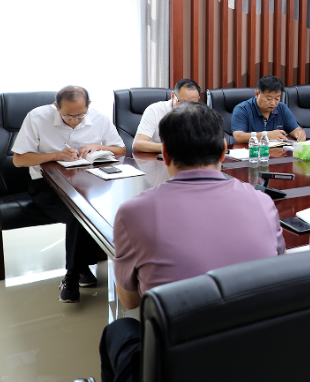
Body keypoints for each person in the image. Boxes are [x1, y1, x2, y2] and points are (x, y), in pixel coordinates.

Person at [99, 102, 286, 382]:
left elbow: (130, 300)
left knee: (119, 330)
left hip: (178, 362)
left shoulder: (133, 212)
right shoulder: (262, 201)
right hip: (257, 355)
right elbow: (278, 271)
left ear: (164, 153)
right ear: (223, 151)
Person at [11, 86, 125, 303]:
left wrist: (98, 146)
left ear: (88, 106)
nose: (75, 120)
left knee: (94, 209)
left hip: (89, 184)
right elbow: (19, 159)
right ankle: (73, 276)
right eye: (68, 116)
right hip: (47, 185)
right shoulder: (37, 117)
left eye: (80, 115)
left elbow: (120, 149)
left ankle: (82, 270)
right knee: (79, 214)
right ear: (56, 107)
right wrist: (55, 155)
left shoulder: (99, 118)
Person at [132, 78, 201, 153]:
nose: (187, 107)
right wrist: (172, 148)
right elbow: (138, 144)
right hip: (157, 157)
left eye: (192, 103)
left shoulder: (201, 114)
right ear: (173, 96)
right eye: (183, 102)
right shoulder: (154, 110)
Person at [231, 75, 306, 143]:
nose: (273, 103)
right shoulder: (242, 109)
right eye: (269, 98)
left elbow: (295, 129)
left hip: (276, 152)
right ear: (257, 94)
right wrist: (267, 135)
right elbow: (238, 137)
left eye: (277, 99)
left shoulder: (282, 108)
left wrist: (299, 133)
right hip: (249, 151)